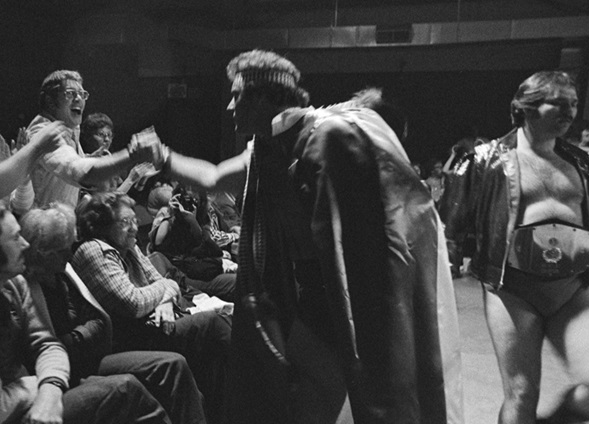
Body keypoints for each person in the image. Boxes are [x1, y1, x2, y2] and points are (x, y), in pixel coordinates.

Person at [157, 49, 463, 424]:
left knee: (362, 400)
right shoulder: (267, 148)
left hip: (352, 301)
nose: (230, 107)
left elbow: (391, 223)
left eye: (237, 96)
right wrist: (162, 156)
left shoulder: (327, 136)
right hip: (308, 298)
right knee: (307, 399)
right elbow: (214, 178)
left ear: (267, 98)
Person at [440, 71, 589, 424]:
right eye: (556, 103)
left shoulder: (584, 163)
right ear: (524, 107)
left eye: (572, 103)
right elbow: (446, 225)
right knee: (522, 394)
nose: (569, 112)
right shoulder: (484, 160)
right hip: (513, 291)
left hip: (572, 287)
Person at [20, 203, 207, 424]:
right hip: (63, 371)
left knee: (173, 364)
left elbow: (97, 320)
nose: (69, 254)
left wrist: (77, 336)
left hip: (90, 355)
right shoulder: (26, 286)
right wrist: (79, 336)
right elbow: (45, 348)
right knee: (127, 386)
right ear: (41, 252)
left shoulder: (64, 273)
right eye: (62, 250)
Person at [71, 191, 231, 423]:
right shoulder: (93, 250)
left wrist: (164, 300)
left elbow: (160, 280)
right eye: (125, 222)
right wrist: (164, 290)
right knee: (214, 324)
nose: (134, 227)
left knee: (215, 346)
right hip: (126, 338)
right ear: (101, 226)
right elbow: (133, 303)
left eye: (134, 220)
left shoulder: (128, 246)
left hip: (152, 323)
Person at [26, 70, 164, 208]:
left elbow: (62, 163)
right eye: (70, 93)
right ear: (50, 102)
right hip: (42, 225)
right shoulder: (43, 132)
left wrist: (88, 157)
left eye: (82, 94)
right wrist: (132, 154)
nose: (78, 98)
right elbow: (75, 170)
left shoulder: (70, 128)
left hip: (62, 221)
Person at [148, 185, 237, 301]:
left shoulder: (202, 217)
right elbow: (157, 244)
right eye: (185, 200)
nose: (189, 205)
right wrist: (172, 215)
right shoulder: (167, 218)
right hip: (183, 277)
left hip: (203, 269)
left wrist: (192, 221)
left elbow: (213, 250)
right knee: (238, 281)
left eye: (194, 200)